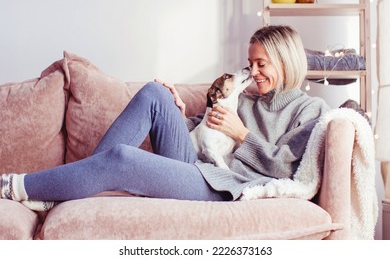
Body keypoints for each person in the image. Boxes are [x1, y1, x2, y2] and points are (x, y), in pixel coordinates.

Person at [0, 25, 330, 211]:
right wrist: (181, 115)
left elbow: (290, 172)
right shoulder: (245, 98)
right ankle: (68, 188)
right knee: (155, 94)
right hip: (199, 166)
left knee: (122, 159)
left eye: (262, 64)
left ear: (286, 61)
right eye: (250, 63)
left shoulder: (309, 111)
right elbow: (205, 134)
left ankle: (16, 186)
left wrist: (243, 136)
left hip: (229, 186)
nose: (253, 72)